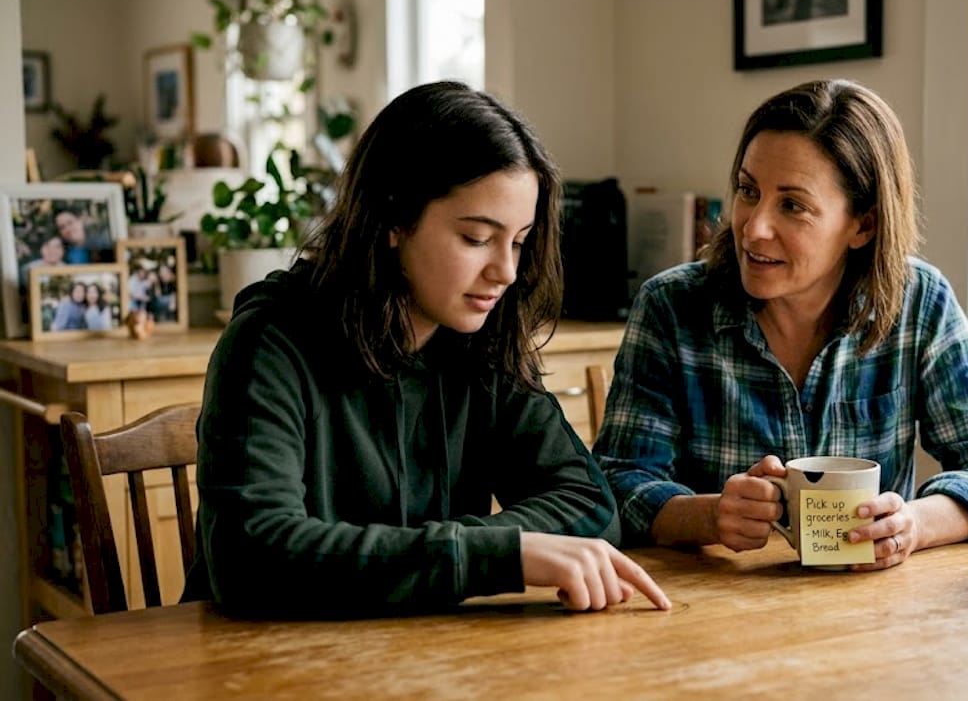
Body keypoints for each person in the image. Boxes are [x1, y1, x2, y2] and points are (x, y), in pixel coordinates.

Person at [182, 81, 670, 616]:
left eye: (519, 240)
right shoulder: (267, 343)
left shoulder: (482, 340)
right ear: (394, 217)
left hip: (423, 657)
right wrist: (496, 552)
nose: (505, 271)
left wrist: (454, 552)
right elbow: (252, 560)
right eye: (477, 238)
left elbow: (591, 506)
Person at [594, 79, 968, 568]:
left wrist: (912, 525)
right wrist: (711, 515)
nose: (753, 226)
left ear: (863, 225)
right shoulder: (671, 306)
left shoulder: (919, 303)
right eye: (748, 190)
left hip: (872, 614)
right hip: (711, 614)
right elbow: (615, 484)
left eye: (792, 205)